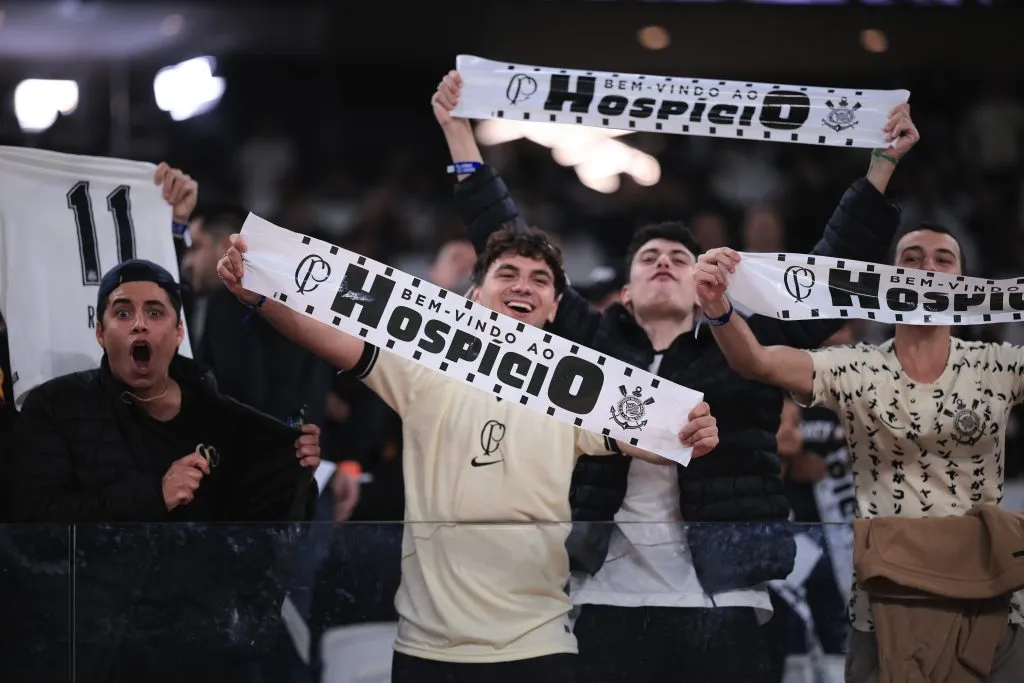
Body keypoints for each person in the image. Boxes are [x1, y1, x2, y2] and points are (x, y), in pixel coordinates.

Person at [432, 70, 917, 681]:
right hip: (606, 593)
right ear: (625, 290)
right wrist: (459, 135)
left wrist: (881, 167)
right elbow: (513, 246)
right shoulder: (589, 338)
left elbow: (828, 273)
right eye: (649, 259)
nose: (664, 262)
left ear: (702, 283)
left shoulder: (746, 342)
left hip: (726, 594)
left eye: (680, 258)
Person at [218, 226, 720, 682]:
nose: (524, 285)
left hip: (539, 645)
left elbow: (651, 435)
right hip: (426, 648)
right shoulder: (420, 368)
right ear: (476, 296)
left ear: (553, 306)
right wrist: (260, 296)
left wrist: (691, 432)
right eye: (508, 274)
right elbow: (336, 336)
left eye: (539, 280)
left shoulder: (577, 386)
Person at [694, 224, 1024, 681]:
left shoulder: (1000, 366)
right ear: (889, 276)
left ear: (964, 281)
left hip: (989, 601)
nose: (927, 266)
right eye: (911, 257)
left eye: (943, 259)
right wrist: (717, 308)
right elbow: (757, 361)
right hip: (886, 600)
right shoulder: (856, 365)